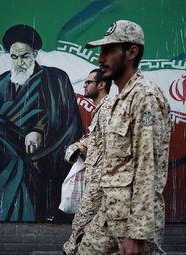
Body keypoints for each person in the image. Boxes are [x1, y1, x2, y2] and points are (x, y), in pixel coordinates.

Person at [77, 20, 172, 254]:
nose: (100, 59)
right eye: (101, 51)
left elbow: (148, 166)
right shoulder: (121, 99)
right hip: (110, 214)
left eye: (109, 50)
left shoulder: (144, 97)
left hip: (131, 224)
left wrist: (138, 232)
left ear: (131, 52)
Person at [0, 24, 83, 222]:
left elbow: (68, 120)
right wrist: (15, 140)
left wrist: (39, 130)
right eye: (14, 57)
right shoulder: (2, 82)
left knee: (48, 211)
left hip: (49, 160)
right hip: (12, 162)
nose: (19, 62)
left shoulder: (56, 79)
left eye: (25, 56)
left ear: (35, 53)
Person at [62, 69, 112, 255]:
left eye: (88, 82)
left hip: (102, 181)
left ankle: (71, 250)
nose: (84, 85)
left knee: (81, 223)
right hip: (98, 179)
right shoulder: (100, 109)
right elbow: (97, 138)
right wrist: (81, 145)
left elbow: (113, 144)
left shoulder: (107, 109)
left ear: (101, 85)